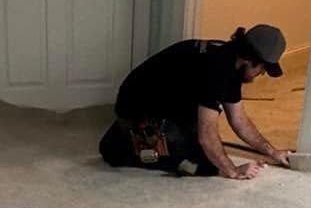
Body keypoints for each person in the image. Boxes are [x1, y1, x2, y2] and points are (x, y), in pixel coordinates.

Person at [98, 24, 293, 179]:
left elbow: (239, 120)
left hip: (169, 104)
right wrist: (232, 171)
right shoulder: (217, 70)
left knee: (205, 147)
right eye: (262, 69)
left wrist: (273, 152)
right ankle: (124, 142)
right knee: (199, 164)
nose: (261, 74)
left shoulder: (231, 61)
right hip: (140, 107)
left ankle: (126, 137)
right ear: (250, 59)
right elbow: (206, 136)